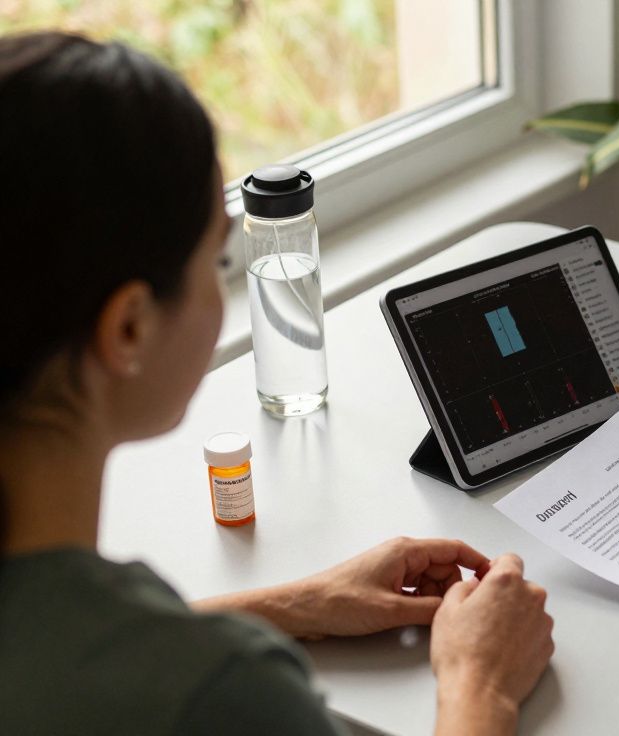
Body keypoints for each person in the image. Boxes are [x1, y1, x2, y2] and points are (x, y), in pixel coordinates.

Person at [0, 32, 553, 735]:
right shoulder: (222, 694)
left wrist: (298, 603)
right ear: (129, 329)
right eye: (219, 257)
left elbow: (66, 655)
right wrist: (483, 681)